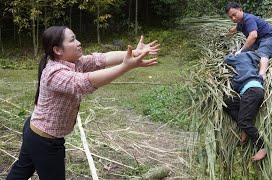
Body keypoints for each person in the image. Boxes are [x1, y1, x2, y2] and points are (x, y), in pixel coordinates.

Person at [6, 26, 160, 180]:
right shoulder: (54, 73)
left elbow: (102, 58)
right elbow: (83, 82)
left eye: (76, 38)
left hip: (35, 130)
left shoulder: (76, 62)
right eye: (72, 40)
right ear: (58, 50)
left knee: (21, 170)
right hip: (45, 141)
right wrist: (125, 67)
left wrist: (134, 53)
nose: (79, 43)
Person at [223, 51, 266, 161]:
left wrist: (233, 53)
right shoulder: (252, 59)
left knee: (244, 121)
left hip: (251, 91)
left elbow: (227, 59)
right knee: (227, 103)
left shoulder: (239, 57)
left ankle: (262, 147)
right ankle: (245, 129)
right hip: (251, 92)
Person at [225, 2, 272, 80]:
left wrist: (241, 50)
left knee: (262, 52)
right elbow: (235, 29)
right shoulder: (240, 22)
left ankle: (261, 75)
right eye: (231, 17)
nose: (233, 18)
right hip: (258, 41)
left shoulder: (248, 19)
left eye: (234, 14)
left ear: (240, 10)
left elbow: (253, 36)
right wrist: (226, 34)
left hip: (269, 38)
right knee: (243, 54)